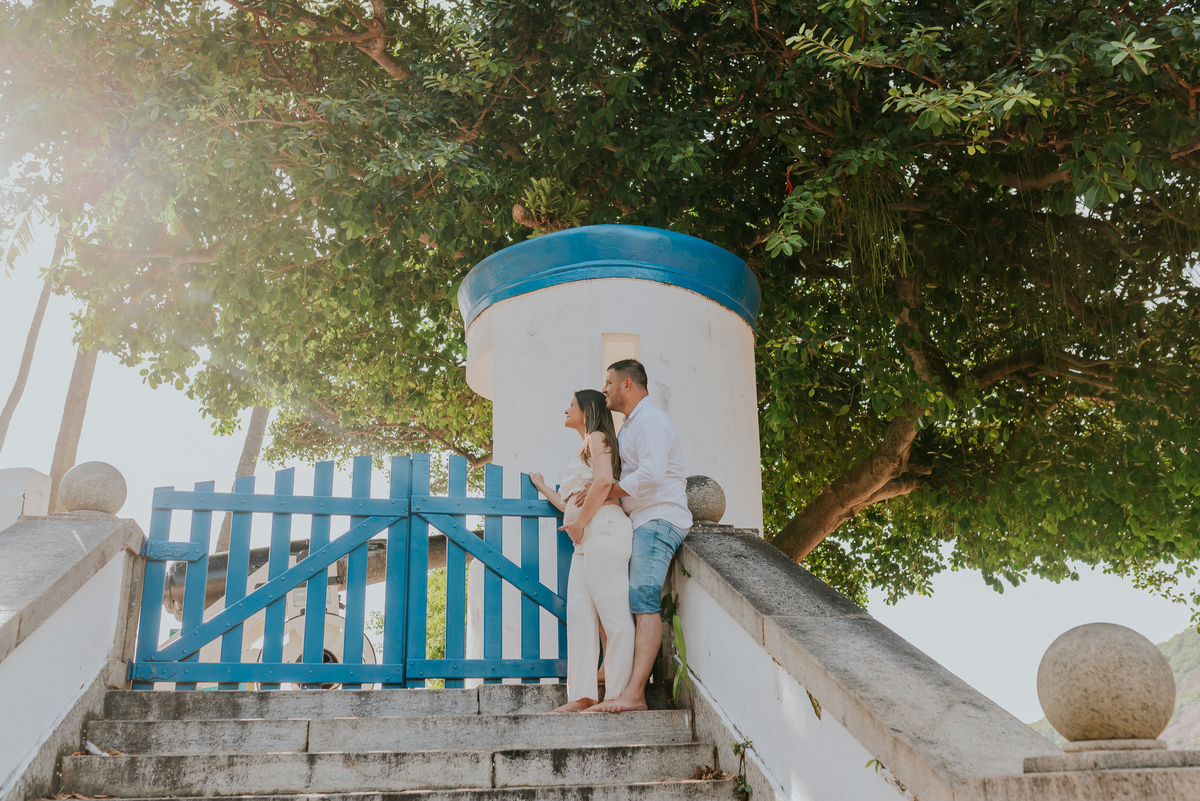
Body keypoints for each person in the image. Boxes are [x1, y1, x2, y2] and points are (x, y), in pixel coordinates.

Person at [585, 359, 692, 713]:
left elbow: (651, 474)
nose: (604, 389)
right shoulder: (632, 425)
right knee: (624, 597)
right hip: (643, 521)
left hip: (659, 519)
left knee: (643, 600)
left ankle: (634, 695)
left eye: (608, 382)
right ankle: (618, 678)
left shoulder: (650, 420)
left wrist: (609, 490)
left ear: (627, 384)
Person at [530, 389, 635, 713]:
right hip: (585, 538)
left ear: (586, 411)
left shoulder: (599, 437)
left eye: (572, 405)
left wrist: (578, 524)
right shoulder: (584, 448)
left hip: (603, 529)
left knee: (614, 615)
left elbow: (603, 483)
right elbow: (571, 503)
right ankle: (582, 696)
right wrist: (543, 486)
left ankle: (617, 695)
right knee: (579, 616)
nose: (567, 410)